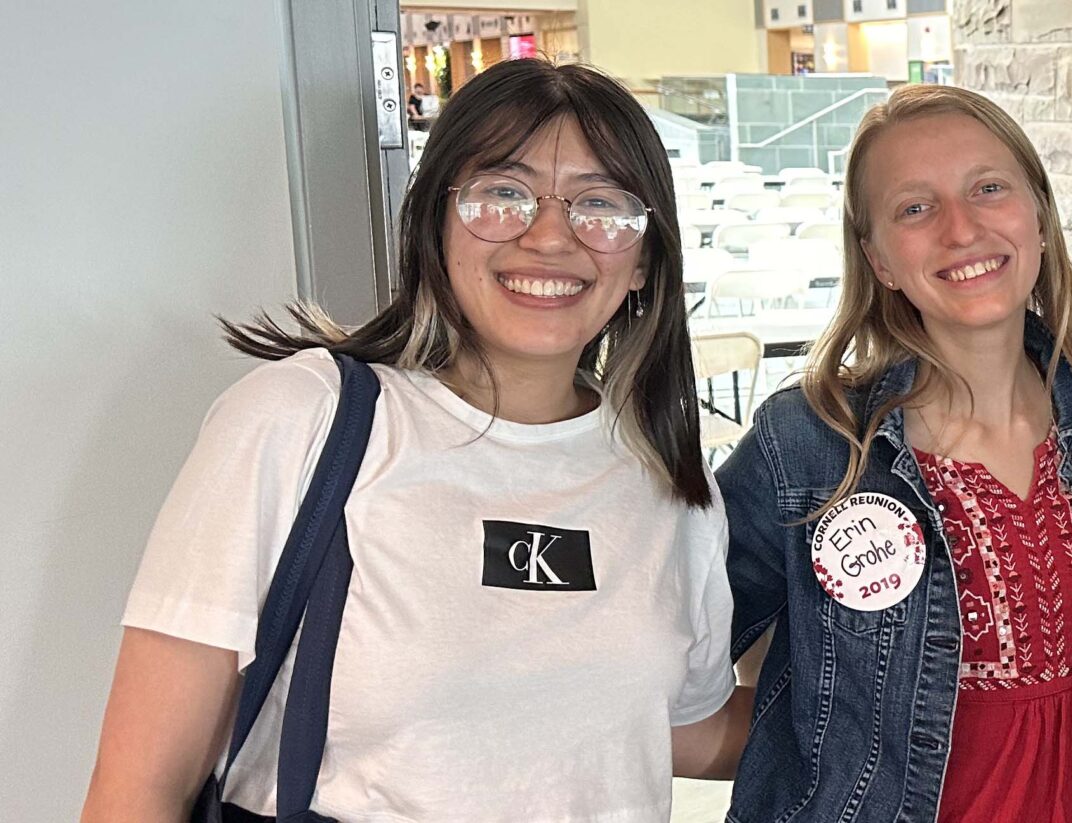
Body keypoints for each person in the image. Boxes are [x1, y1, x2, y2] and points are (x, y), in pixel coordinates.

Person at [82, 58, 743, 821]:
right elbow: (138, 787)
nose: (550, 236)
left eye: (601, 204)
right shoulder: (303, 419)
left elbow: (676, 728)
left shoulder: (668, 483)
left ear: (645, 260)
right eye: (504, 192)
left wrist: (863, 689)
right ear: (436, 222)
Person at [715, 83, 1072, 823]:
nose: (962, 228)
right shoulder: (810, 444)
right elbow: (666, 659)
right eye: (915, 208)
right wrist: (805, 746)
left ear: (1039, 216)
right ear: (879, 259)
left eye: (988, 188)